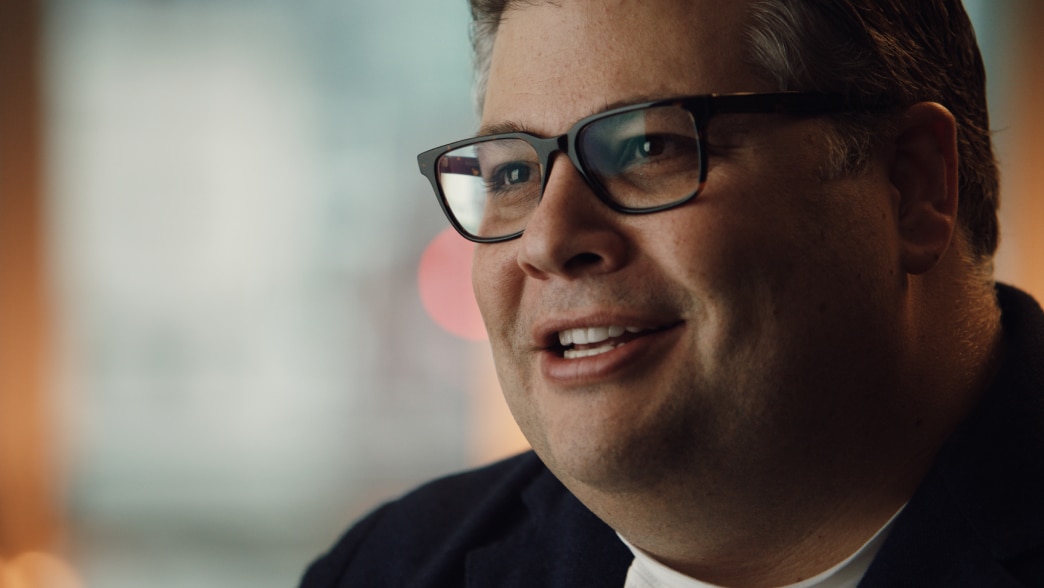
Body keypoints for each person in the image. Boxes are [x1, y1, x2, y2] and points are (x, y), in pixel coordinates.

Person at [301, 0, 1044, 586]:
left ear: (912, 187)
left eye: (649, 147)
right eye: (514, 174)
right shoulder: (389, 569)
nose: (548, 241)